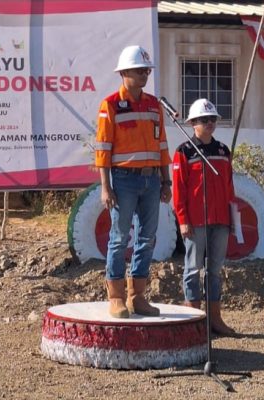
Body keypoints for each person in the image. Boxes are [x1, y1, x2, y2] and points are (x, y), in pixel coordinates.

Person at [94, 45, 172, 318]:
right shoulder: (110, 105)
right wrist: (106, 187)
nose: (145, 75)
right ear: (124, 72)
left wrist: (166, 181)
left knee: (147, 238)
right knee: (118, 239)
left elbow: (162, 144)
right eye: (140, 70)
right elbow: (102, 147)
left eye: (147, 70)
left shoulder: (153, 105)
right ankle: (116, 298)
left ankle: (137, 296)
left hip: (152, 181)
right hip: (124, 181)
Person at [171, 98, 237, 335]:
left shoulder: (222, 150)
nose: (209, 123)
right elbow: (178, 190)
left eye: (212, 119)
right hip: (195, 221)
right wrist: (183, 219)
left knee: (215, 270)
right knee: (192, 269)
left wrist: (232, 217)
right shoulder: (184, 152)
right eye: (203, 120)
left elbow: (229, 187)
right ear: (192, 124)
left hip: (220, 220)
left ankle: (214, 318)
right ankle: (192, 319)